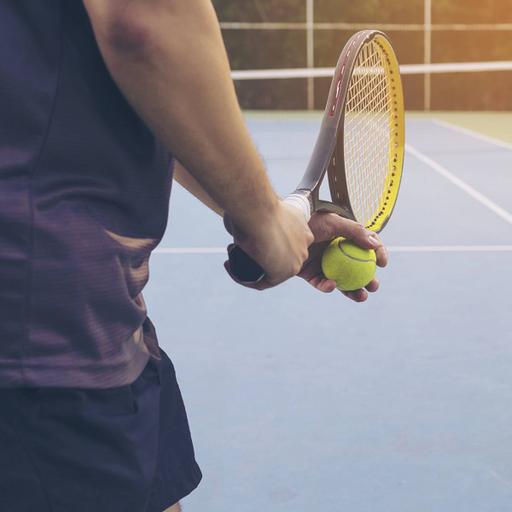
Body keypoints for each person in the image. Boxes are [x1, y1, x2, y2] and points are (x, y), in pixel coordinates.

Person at [0, 1, 388, 511]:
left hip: (75, 320)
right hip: (47, 330)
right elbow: (146, 18)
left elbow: (139, 84)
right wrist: (262, 222)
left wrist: (268, 214)